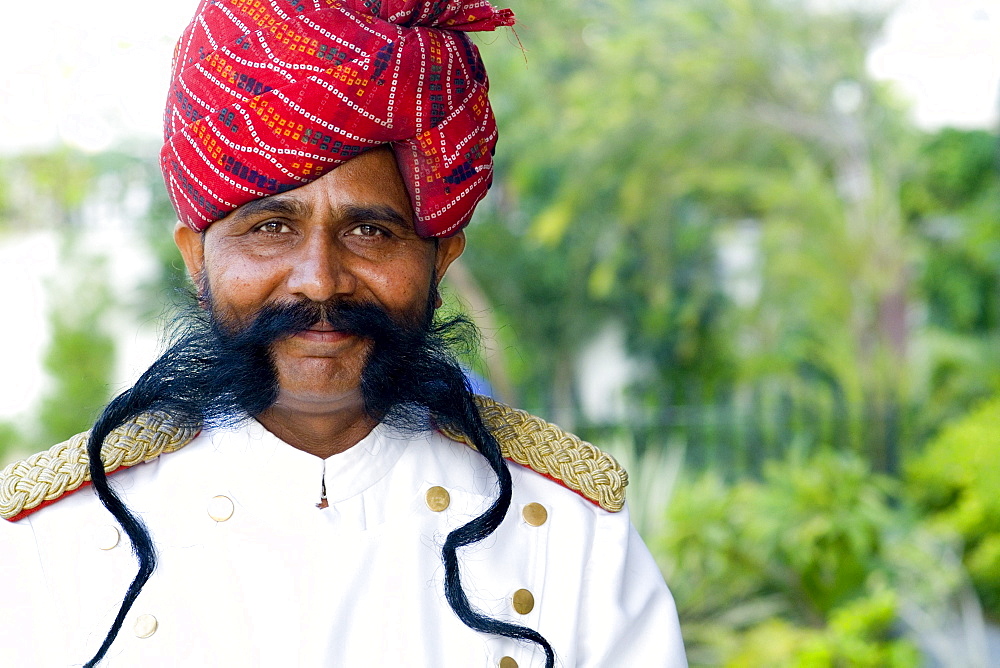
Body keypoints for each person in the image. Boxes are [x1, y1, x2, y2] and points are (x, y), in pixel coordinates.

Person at [0, 0, 687, 666]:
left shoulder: (571, 537)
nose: (320, 281)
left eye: (371, 231)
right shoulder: (45, 543)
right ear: (195, 260)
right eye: (271, 228)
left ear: (441, 257)